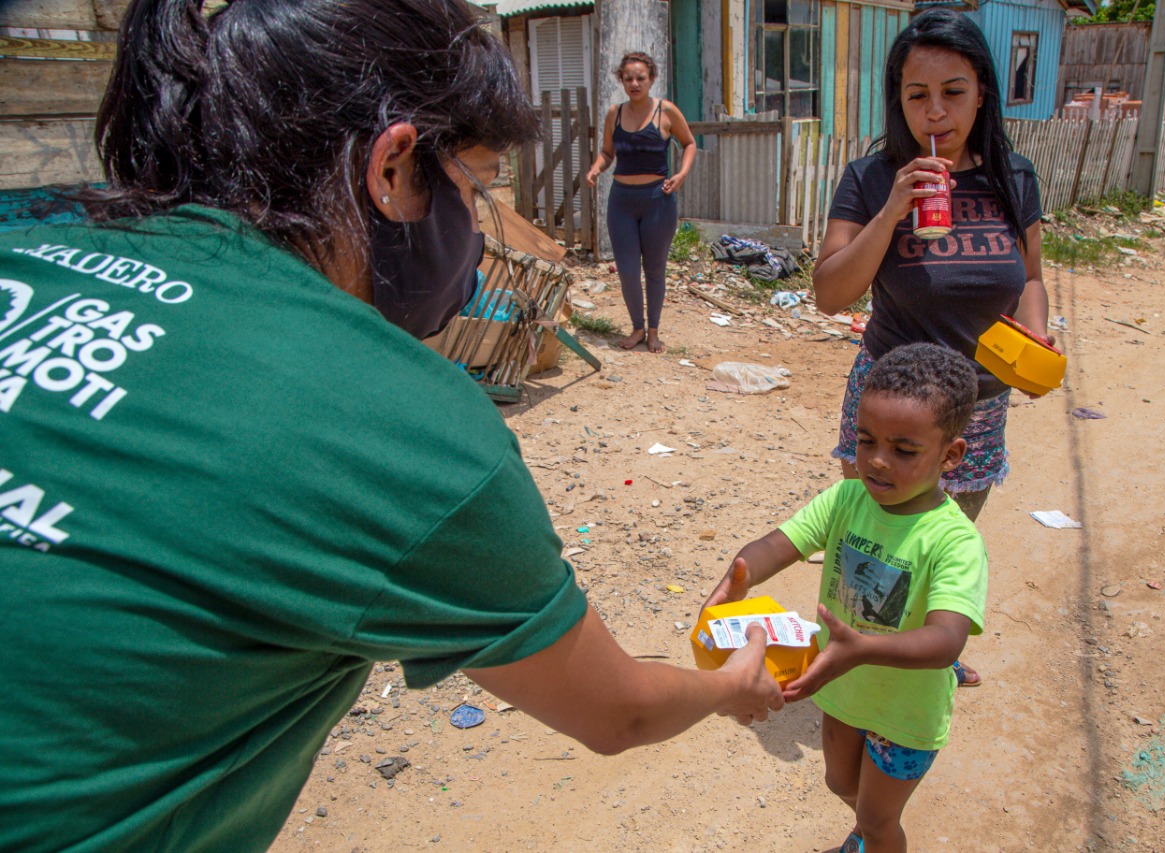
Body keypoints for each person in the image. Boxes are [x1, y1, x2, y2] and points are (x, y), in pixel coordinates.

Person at [0, 2, 783, 850]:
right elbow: (619, 710)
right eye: (477, 188)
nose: (479, 239)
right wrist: (733, 682)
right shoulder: (396, 419)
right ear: (394, 168)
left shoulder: (32, 256)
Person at [812, 8, 1048, 687]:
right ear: (899, 99)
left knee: (944, 539)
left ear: (982, 93)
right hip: (889, 405)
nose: (935, 112)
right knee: (873, 543)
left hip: (978, 405)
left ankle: (923, 650)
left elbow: (1029, 277)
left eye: (953, 92)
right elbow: (830, 292)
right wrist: (891, 210)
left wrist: (1036, 329)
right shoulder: (869, 176)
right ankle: (852, 660)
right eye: (918, 95)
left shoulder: (1016, 177)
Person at [703, 343, 988, 853]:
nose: (877, 461)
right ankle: (866, 834)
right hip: (843, 690)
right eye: (865, 440)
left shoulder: (954, 540)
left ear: (950, 454)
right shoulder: (846, 498)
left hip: (906, 716)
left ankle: (874, 839)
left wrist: (861, 649)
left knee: (880, 822)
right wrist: (739, 576)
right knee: (842, 786)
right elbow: (779, 544)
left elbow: (946, 641)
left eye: (903, 450)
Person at [586, 51, 696, 353]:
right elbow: (608, 152)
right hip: (621, 201)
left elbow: (688, 143)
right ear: (621, 80)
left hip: (657, 201)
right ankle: (636, 327)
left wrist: (682, 174)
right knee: (627, 269)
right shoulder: (615, 113)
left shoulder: (666, 111)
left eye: (640, 78)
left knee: (655, 269)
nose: (634, 83)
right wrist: (597, 167)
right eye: (628, 78)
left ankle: (653, 331)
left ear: (651, 79)